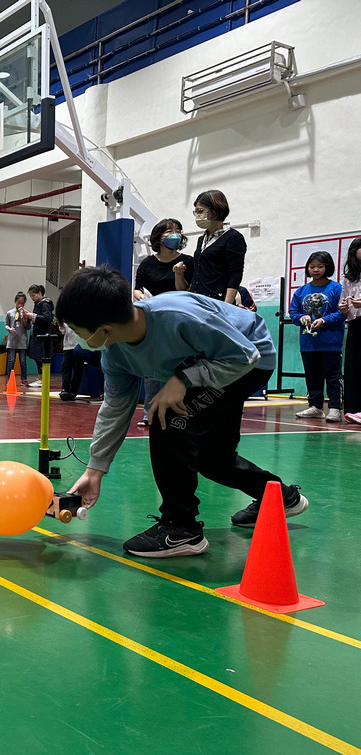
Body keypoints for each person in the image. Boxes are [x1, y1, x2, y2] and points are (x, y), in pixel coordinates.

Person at [58, 265, 307, 558]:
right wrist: (95, 468)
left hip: (248, 359)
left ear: (104, 329)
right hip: (220, 364)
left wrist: (185, 379)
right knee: (213, 457)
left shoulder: (178, 316)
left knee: (167, 419)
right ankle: (278, 497)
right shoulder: (115, 354)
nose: (77, 339)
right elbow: (115, 408)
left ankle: (181, 529)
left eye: (77, 331)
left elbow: (245, 355)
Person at [133, 218, 194, 425]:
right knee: (152, 371)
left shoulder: (187, 261)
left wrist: (179, 274)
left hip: (179, 319)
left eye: (178, 230)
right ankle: (149, 414)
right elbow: (137, 288)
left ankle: (178, 413)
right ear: (158, 237)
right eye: (169, 231)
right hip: (154, 320)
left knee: (179, 367)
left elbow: (183, 291)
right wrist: (141, 297)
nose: (175, 234)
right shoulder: (148, 263)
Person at [290, 250, 344, 422]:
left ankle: (335, 408)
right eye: (312, 266)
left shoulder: (336, 288)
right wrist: (301, 317)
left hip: (331, 342)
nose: (315, 270)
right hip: (308, 342)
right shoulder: (301, 291)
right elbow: (293, 312)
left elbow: (342, 313)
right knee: (312, 375)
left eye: (320, 266)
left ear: (327, 267)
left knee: (333, 376)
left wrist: (325, 320)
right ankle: (316, 406)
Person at [173, 189, 246, 304]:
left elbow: (235, 275)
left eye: (200, 211)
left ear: (216, 210)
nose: (197, 215)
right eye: (195, 212)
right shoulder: (202, 239)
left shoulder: (233, 237)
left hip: (218, 302)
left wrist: (226, 306)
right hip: (197, 301)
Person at [339, 237, 361, 424]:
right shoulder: (349, 277)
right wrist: (344, 307)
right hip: (355, 322)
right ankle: (354, 409)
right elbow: (344, 299)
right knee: (354, 366)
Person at [24, 284, 54, 388]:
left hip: (42, 335)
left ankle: (42, 379)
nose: (32, 298)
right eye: (30, 296)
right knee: (36, 357)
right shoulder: (37, 304)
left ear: (39, 293)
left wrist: (34, 316)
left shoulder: (44, 304)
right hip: (37, 334)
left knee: (41, 357)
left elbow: (47, 318)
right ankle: (40, 377)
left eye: (33, 295)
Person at [4, 292, 29, 385]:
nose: (20, 305)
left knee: (23, 361)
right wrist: (9, 329)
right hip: (12, 341)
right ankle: (10, 379)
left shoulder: (26, 313)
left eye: (22, 303)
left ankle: (24, 379)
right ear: (15, 301)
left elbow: (28, 327)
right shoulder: (10, 313)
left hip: (22, 340)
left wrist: (25, 319)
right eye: (19, 302)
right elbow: (6, 325)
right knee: (11, 360)